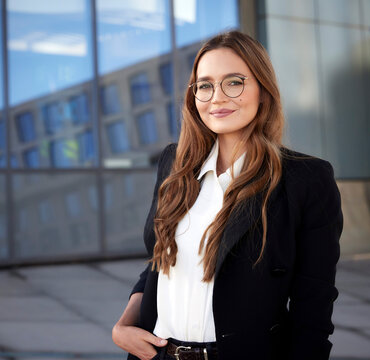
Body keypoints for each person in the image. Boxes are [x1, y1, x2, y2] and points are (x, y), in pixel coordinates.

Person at [112, 30, 342, 360]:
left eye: (234, 82)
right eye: (204, 85)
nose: (217, 97)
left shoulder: (305, 179)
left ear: (263, 91)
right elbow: (159, 264)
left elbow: (314, 307)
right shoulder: (175, 164)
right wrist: (124, 326)